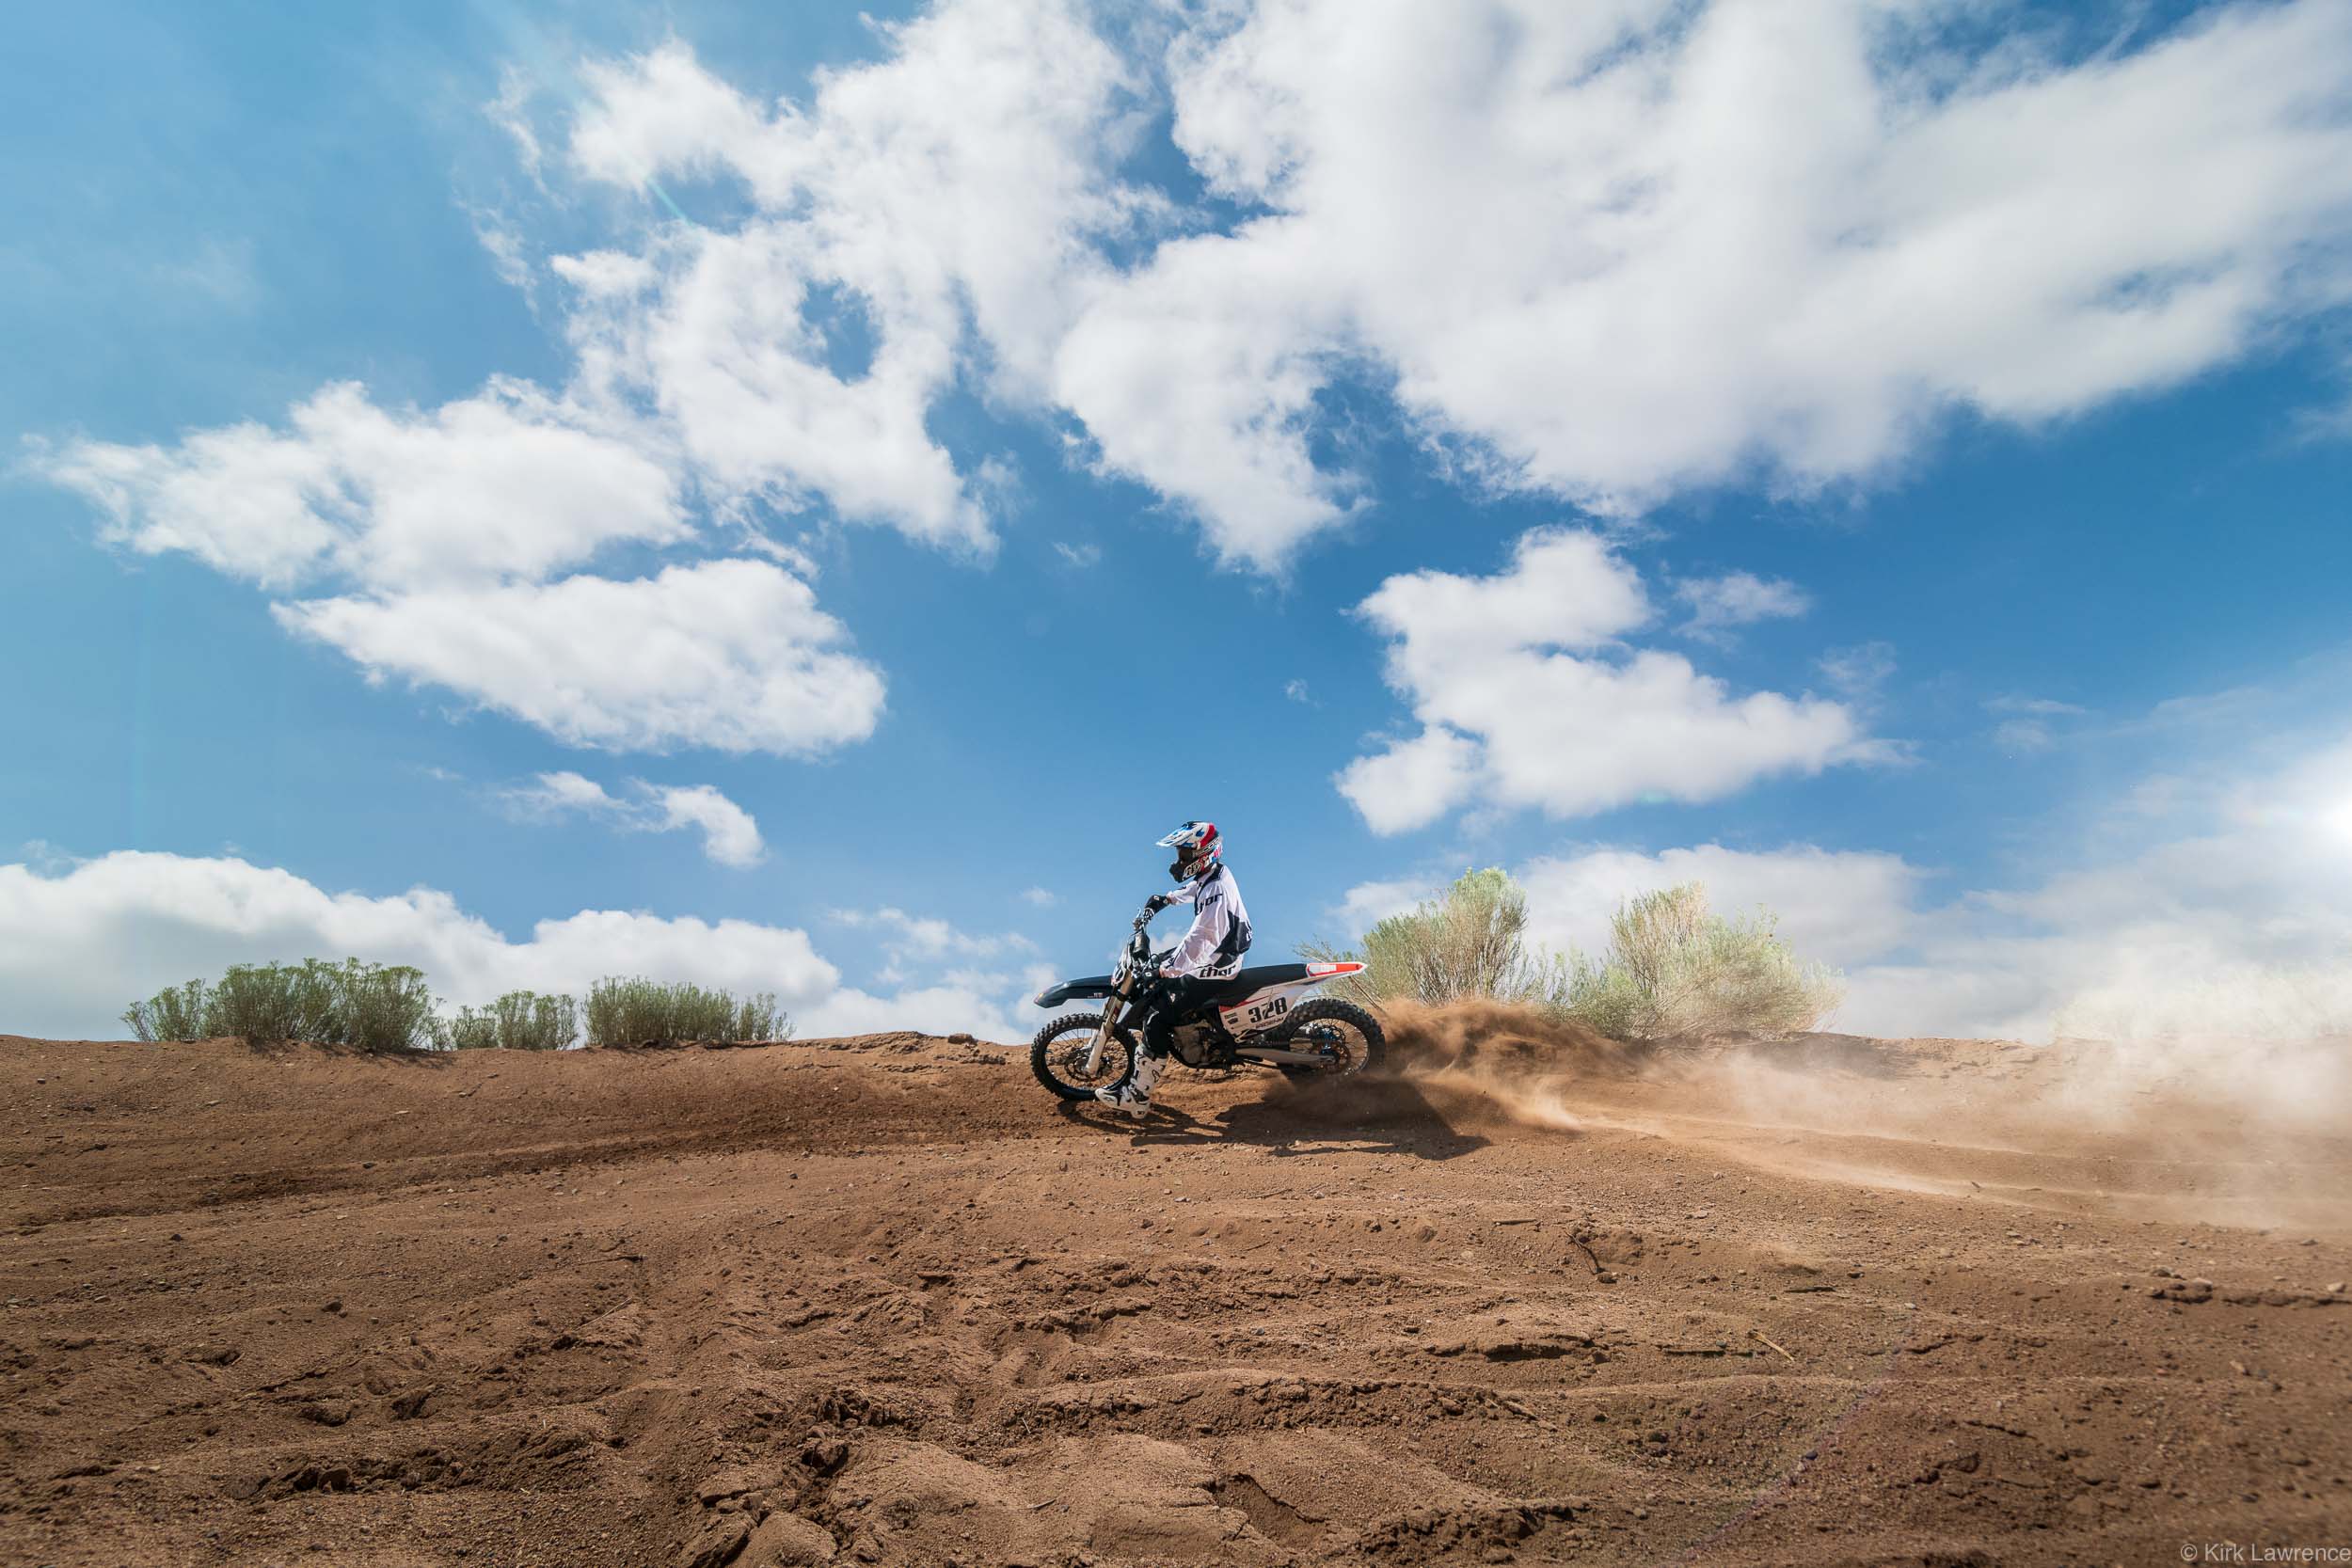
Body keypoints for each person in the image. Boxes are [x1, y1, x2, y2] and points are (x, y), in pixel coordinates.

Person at [1096, 820, 1252, 1117]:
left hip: (1218, 963)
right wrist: (1165, 900)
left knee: (1157, 1017)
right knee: (1158, 972)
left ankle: (1137, 1096)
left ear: (1202, 854)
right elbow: (1195, 888)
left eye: (1184, 854)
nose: (1179, 860)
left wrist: (1165, 970)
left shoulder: (1216, 891)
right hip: (1217, 954)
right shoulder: (1215, 873)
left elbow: (1200, 941)